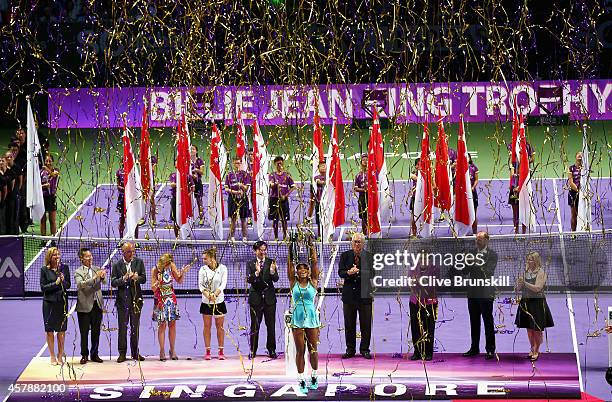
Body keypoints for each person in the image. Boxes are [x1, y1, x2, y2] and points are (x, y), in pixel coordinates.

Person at [287, 233, 321, 394]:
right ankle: (301, 379)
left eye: (304, 269)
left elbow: (314, 262)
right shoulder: (293, 282)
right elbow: (289, 263)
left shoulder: (313, 282)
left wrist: (311, 245)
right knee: (301, 351)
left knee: (313, 349)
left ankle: (314, 376)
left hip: (312, 319)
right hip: (297, 319)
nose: (302, 270)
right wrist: (291, 245)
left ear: (308, 272)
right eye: (299, 269)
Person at [463, 231, 498, 360]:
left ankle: (490, 349)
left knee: (488, 321)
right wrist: (466, 261)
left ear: (486, 240)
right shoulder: (471, 254)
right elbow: (465, 271)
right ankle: (474, 348)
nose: (477, 241)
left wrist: (475, 262)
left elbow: (489, 272)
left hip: (486, 292)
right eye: (476, 239)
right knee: (474, 321)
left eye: (480, 239)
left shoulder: (492, 255)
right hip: (473, 292)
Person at [338, 232, 373, 359]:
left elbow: (373, 272)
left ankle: (364, 349)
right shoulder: (345, 256)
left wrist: (358, 272)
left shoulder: (369, 256)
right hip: (348, 296)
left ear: (363, 244)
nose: (357, 244)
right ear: (352, 243)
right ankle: (350, 349)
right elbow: (340, 272)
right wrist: (348, 272)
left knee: (366, 325)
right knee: (349, 324)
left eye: (359, 242)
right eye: (355, 241)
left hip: (365, 295)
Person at [515, 251, 554, 362]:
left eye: (531, 259)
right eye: (528, 259)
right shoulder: (524, 272)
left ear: (536, 261)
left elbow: (537, 288)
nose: (529, 261)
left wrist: (524, 283)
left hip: (537, 303)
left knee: (537, 329)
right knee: (529, 328)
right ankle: (532, 348)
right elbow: (518, 289)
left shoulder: (541, 272)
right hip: (526, 302)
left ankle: (537, 350)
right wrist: (518, 284)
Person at [111, 242, 146, 362]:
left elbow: (144, 278)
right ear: (123, 252)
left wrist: (137, 278)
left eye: (133, 251)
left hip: (136, 301)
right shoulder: (117, 265)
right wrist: (124, 278)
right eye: (129, 251)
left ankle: (135, 353)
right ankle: (122, 353)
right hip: (122, 302)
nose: (132, 253)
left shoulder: (139, 262)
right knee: (122, 328)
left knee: (135, 327)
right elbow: (113, 282)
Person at [151, 253, 191, 361]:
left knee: (172, 324)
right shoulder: (155, 269)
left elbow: (179, 281)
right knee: (162, 325)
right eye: (168, 264)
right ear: (164, 264)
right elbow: (153, 289)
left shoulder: (172, 266)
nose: (170, 266)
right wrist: (158, 283)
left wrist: (182, 273)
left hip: (171, 299)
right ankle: (162, 350)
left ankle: (172, 350)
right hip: (160, 300)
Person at [246, 241, 279, 359]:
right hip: (255, 299)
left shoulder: (271, 262)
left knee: (271, 326)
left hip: (269, 299)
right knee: (254, 326)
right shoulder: (250, 263)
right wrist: (256, 273)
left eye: (265, 250)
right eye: (261, 250)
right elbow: (249, 280)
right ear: (255, 251)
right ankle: (253, 350)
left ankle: (271, 350)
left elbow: (276, 279)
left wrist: (272, 272)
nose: (263, 252)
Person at [40, 247, 70, 365]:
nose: (57, 257)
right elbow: (43, 288)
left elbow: (68, 285)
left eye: (58, 254)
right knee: (49, 331)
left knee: (61, 330)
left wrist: (62, 281)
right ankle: (52, 355)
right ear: (49, 257)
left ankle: (60, 355)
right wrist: (55, 283)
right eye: (54, 255)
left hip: (62, 303)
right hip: (49, 304)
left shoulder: (64, 268)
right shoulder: (44, 270)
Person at [75, 247, 105, 364]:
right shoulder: (78, 272)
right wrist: (94, 278)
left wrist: (102, 277)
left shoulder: (96, 269)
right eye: (87, 256)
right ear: (81, 258)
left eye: (90, 256)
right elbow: (80, 285)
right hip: (84, 306)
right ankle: (84, 355)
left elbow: (105, 282)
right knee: (84, 333)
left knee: (96, 332)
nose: (90, 258)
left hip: (97, 305)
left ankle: (94, 354)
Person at [198, 248, 228, 360]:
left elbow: (223, 284)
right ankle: (208, 351)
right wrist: (208, 295)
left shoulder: (223, 268)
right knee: (207, 327)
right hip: (206, 302)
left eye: (205, 258)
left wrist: (215, 294)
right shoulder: (202, 270)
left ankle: (221, 351)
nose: (204, 260)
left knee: (220, 327)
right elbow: (201, 286)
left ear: (212, 258)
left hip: (219, 301)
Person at [409, 248, 438, 361]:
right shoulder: (413, 268)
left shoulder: (434, 268)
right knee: (415, 327)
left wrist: (419, 281)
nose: (423, 260)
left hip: (430, 302)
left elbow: (434, 283)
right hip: (415, 301)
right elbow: (410, 282)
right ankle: (417, 352)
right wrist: (415, 282)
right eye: (421, 258)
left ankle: (428, 352)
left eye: (425, 258)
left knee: (429, 327)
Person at [268, 156, 296, 241]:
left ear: (283, 163)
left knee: (284, 219)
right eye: (277, 164)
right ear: (275, 164)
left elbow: (293, 187)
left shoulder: (287, 175)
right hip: (274, 199)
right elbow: (270, 185)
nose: (279, 165)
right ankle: (276, 237)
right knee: (275, 219)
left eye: (281, 163)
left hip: (284, 200)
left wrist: (286, 195)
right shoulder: (272, 175)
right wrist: (275, 184)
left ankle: (285, 236)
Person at [225, 155, 251, 241]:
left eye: (239, 163)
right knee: (233, 218)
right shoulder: (229, 175)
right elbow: (226, 189)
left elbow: (246, 188)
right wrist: (235, 192)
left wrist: (241, 185)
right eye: (236, 163)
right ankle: (232, 236)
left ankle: (244, 237)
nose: (237, 165)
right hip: (232, 199)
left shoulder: (245, 174)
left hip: (243, 199)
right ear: (233, 164)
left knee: (243, 219)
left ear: (241, 163)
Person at [169, 170, 194, 238]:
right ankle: (177, 238)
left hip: (185, 200)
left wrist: (188, 194)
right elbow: (172, 184)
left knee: (187, 219)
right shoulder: (173, 175)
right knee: (175, 219)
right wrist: (180, 184)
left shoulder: (188, 176)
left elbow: (193, 188)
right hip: (175, 200)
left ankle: (188, 237)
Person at [40, 154, 60, 236]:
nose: (48, 162)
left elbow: (53, 175)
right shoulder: (41, 172)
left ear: (52, 161)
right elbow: (37, 185)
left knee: (52, 220)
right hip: (42, 198)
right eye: (46, 161)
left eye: (50, 161)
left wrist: (47, 169)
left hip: (51, 197)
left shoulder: (56, 170)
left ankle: (54, 238)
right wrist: (44, 186)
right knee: (43, 220)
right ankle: (43, 239)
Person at [307, 161, 326, 238]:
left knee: (327, 218)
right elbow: (319, 182)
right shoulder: (316, 177)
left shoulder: (328, 176)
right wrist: (327, 182)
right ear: (318, 168)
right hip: (319, 202)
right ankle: (319, 235)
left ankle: (328, 235)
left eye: (324, 166)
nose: (323, 167)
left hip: (327, 202)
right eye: (321, 166)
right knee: (319, 220)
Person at [4, 151, 19, 234]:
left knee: (13, 216)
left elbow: (16, 183)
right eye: (7, 158)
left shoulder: (13, 171)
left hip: (12, 197)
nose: (9, 159)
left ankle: (14, 233)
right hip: (4, 199)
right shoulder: (3, 171)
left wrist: (14, 193)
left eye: (10, 157)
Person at [353, 154, 368, 235]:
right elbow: (355, 188)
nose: (365, 161)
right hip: (362, 198)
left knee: (372, 216)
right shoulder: (358, 175)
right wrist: (364, 190)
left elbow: (377, 185)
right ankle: (365, 234)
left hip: (371, 198)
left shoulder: (373, 174)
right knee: (363, 217)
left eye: (367, 159)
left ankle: (373, 232)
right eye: (363, 160)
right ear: (361, 162)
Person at [567, 152, 583, 232]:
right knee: (574, 215)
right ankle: (573, 233)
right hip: (573, 194)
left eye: (582, 154)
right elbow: (571, 182)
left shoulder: (585, 169)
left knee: (583, 214)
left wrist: (583, 193)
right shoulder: (571, 168)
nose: (580, 155)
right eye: (578, 154)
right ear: (575, 156)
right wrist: (578, 191)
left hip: (583, 194)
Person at [190, 145, 205, 225]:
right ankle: (189, 219)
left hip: (197, 183)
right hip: (188, 183)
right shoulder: (186, 160)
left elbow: (202, 172)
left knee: (199, 201)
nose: (192, 150)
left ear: (196, 151)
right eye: (190, 149)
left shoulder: (200, 161)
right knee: (188, 201)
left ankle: (201, 218)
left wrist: (197, 170)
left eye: (193, 149)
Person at [409, 158, 420, 237]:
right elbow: (414, 177)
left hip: (423, 198)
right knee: (413, 216)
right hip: (414, 197)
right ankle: (414, 233)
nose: (420, 166)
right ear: (416, 166)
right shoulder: (413, 173)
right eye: (419, 164)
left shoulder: (426, 173)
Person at [468, 153, 479, 235]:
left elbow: (476, 180)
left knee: (474, 214)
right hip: (463, 194)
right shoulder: (460, 168)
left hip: (472, 193)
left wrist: (473, 187)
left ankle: (474, 232)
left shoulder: (473, 167)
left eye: (467, 157)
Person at [0, 155, 7, 234]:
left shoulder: (2, 177)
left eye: (2, 161)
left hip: (2, 203)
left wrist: (2, 200)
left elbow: (4, 190)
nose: (1, 163)